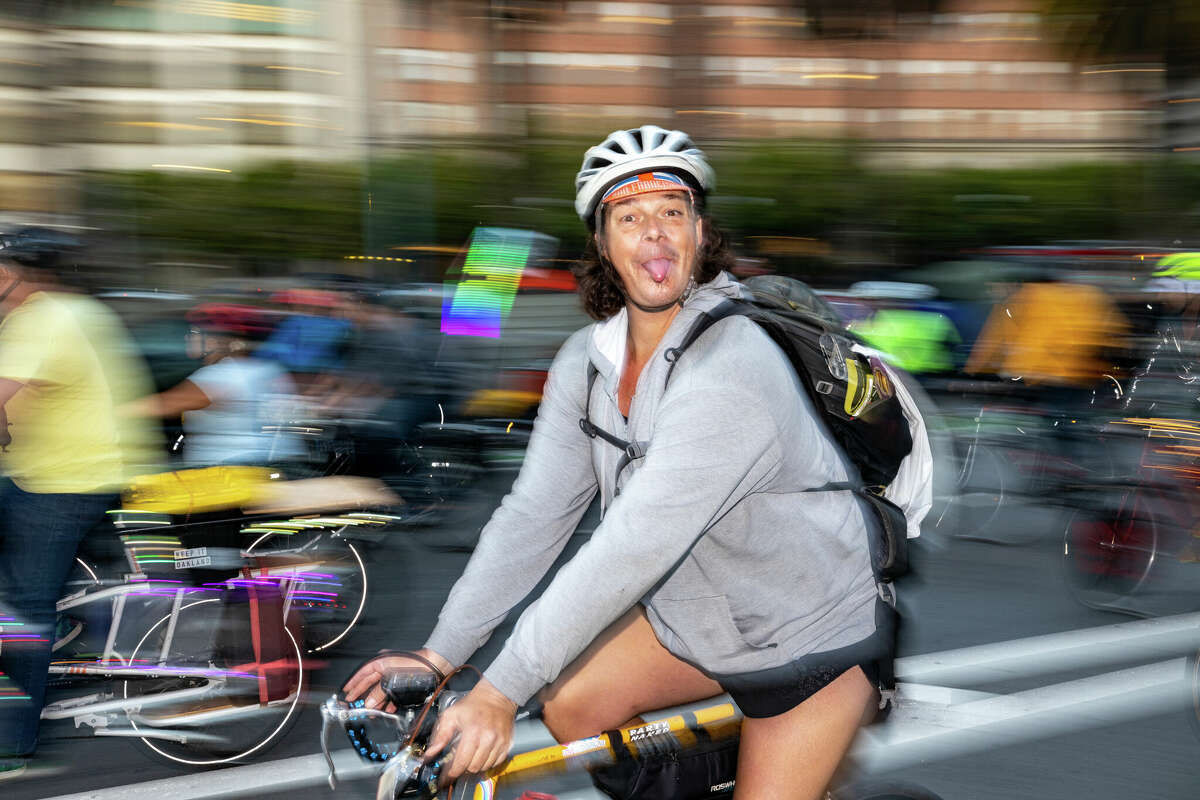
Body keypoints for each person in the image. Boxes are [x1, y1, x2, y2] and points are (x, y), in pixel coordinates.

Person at [344, 126, 899, 798]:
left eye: (673, 212)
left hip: (807, 635)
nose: (655, 235)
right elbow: (535, 515)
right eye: (629, 218)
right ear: (603, 244)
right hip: (692, 623)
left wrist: (494, 693)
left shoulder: (734, 366)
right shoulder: (586, 361)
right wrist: (439, 656)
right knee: (572, 705)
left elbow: (632, 546)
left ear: (701, 232)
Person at [0, 229, 161, 777]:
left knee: (24, 608)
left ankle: (12, 743)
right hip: (48, 469)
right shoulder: (70, 311)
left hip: (67, 480)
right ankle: (60, 635)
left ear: (19, 276)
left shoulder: (42, 319)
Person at [125, 303, 300, 469]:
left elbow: (161, 406)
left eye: (194, 332)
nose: (188, 337)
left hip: (231, 472)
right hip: (270, 462)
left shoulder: (222, 376)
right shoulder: (267, 369)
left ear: (216, 341)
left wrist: (111, 411)